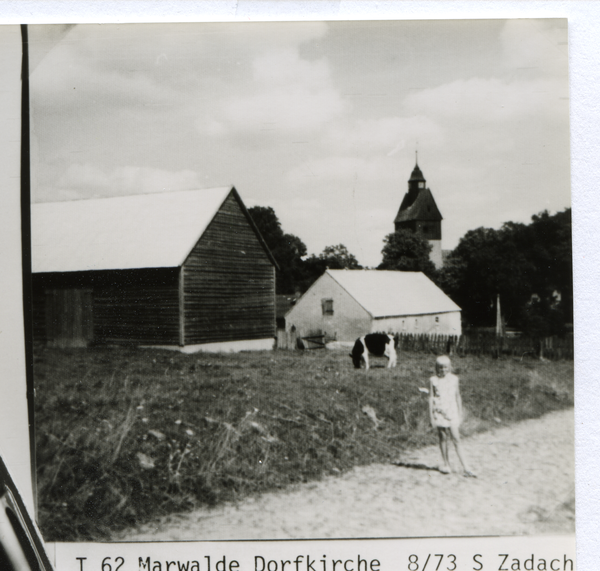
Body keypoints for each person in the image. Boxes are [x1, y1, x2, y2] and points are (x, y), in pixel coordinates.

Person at [429, 355, 476, 477]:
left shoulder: (454, 379)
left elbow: (458, 396)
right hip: (439, 411)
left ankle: (466, 467)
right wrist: (431, 417)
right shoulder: (433, 380)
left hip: (452, 412)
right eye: (440, 368)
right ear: (436, 368)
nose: (442, 370)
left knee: (456, 438)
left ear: (449, 367)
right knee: (443, 437)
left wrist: (460, 412)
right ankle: (446, 464)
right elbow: (430, 398)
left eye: (445, 367)